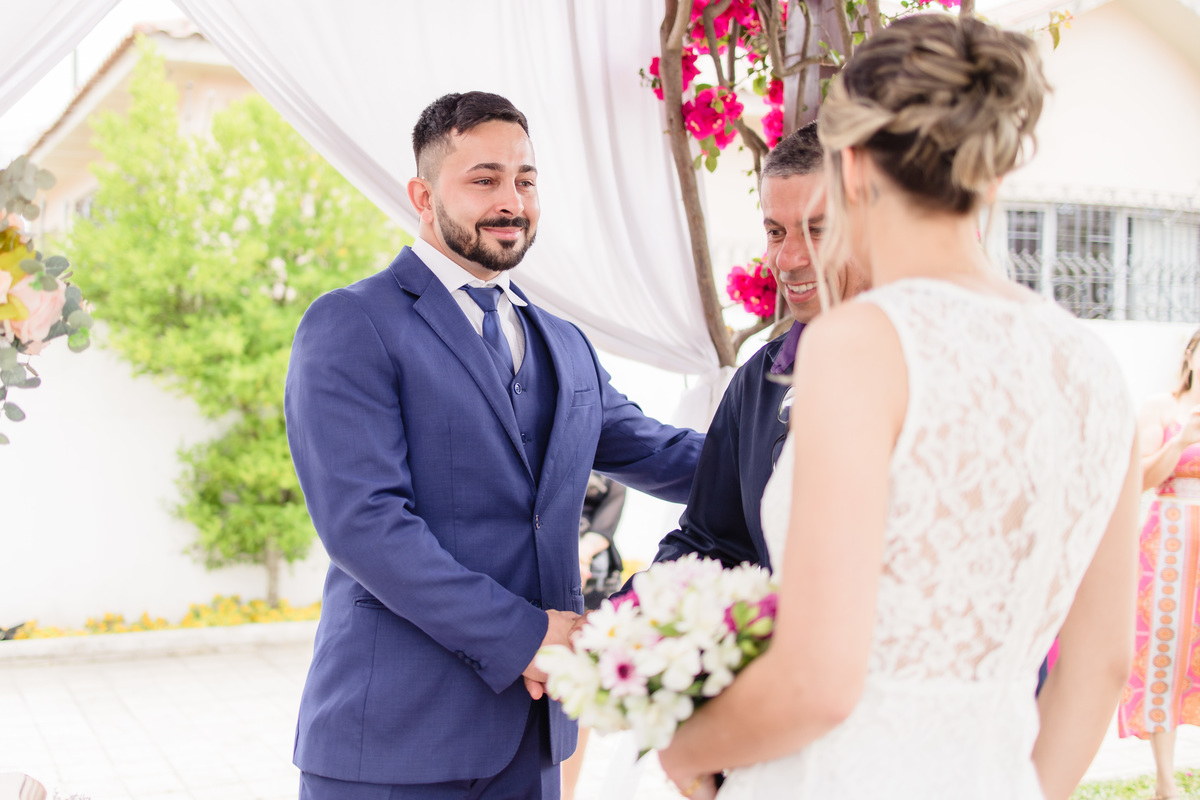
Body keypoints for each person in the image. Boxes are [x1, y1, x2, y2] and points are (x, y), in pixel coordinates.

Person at [656, 14, 1141, 800]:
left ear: (850, 165)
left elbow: (818, 683)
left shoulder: (860, 344)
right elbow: (1102, 666)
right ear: (989, 173)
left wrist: (685, 749)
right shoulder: (1091, 365)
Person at [284, 91, 703, 800]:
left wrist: (795, 452)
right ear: (423, 196)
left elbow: (660, 453)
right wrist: (528, 637)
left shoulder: (564, 342)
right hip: (391, 738)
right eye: (484, 179)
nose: (512, 200)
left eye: (525, 180)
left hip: (533, 740)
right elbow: (365, 525)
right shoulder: (352, 323)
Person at [646, 122, 869, 574]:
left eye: (817, 230)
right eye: (775, 232)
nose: (786, 260)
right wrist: (622, 612)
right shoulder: (759, 379)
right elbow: (710, 541)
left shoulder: (932, 369)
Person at [1118, 328, 1200, 800]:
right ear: (1190, 357)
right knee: (1164, 652)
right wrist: (1181, 440)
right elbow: (1141, 477)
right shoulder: (1161, 409)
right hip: (1169, 542)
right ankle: (1166, 782)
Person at [562, 472, 627, 800]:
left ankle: (567, 790)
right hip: (550, 555)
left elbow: (607, 523)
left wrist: (582, 554)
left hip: (593, 576)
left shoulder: (614, 469)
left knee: (583, 685)